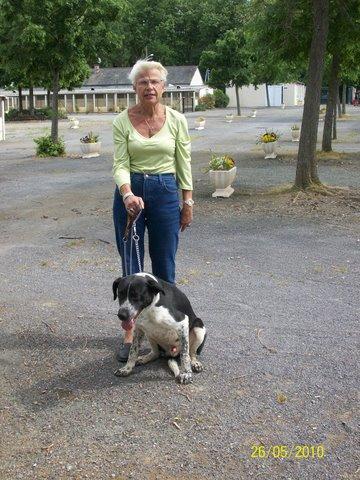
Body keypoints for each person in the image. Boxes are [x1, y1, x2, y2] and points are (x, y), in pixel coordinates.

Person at [112, 59, 194, 361]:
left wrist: (187, 201)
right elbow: (120, 163)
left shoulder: (176, 119)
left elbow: (184, 162)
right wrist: (127, 193)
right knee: (130, 269)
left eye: (155, 81)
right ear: (134, 87)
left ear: (164, 86)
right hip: (130, 194)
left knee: (164, 269)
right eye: (143, 82)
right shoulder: (122, 121)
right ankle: (131, 333)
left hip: (165, 192)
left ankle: (166, 332)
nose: (149, 86)